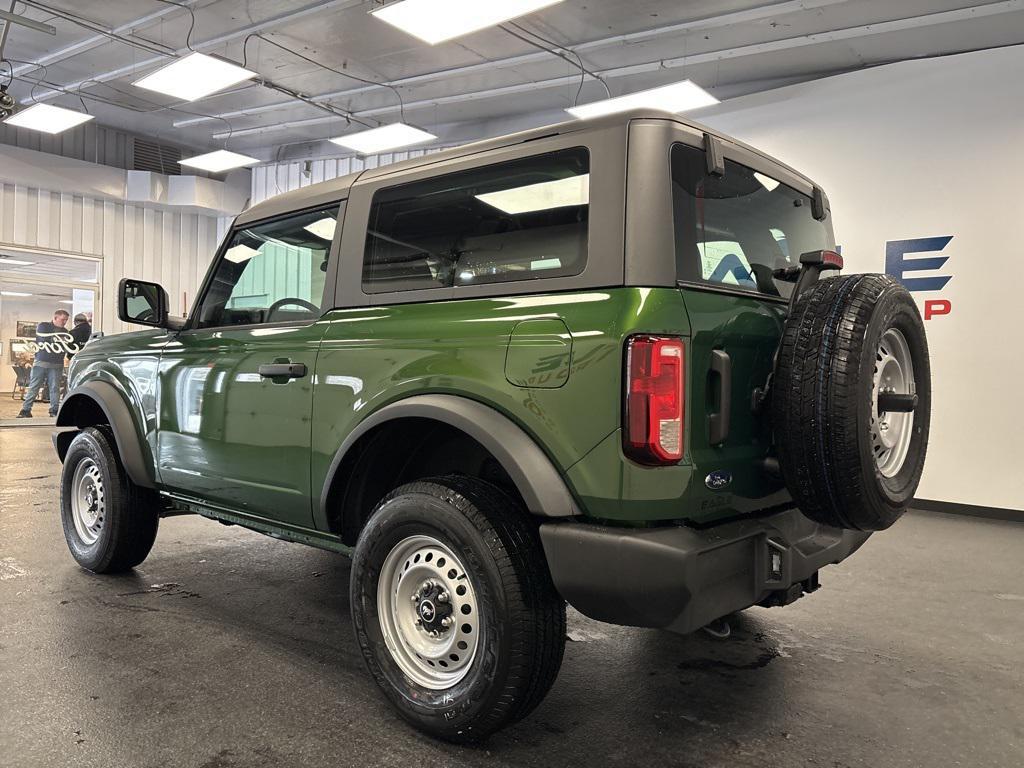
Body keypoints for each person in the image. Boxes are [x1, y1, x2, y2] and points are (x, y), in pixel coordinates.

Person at [17, 309, 70, 418]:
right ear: (55, 318)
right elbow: (44, 339)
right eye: (62, 319)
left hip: (56, 363)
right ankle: (26, 410)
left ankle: (54, 411)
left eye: (66, 320)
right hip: (41, 361)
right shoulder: (43, 326)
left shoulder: (65, 331)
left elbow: (64, 346)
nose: (64, 322)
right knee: (34, 386)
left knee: (54, 388)